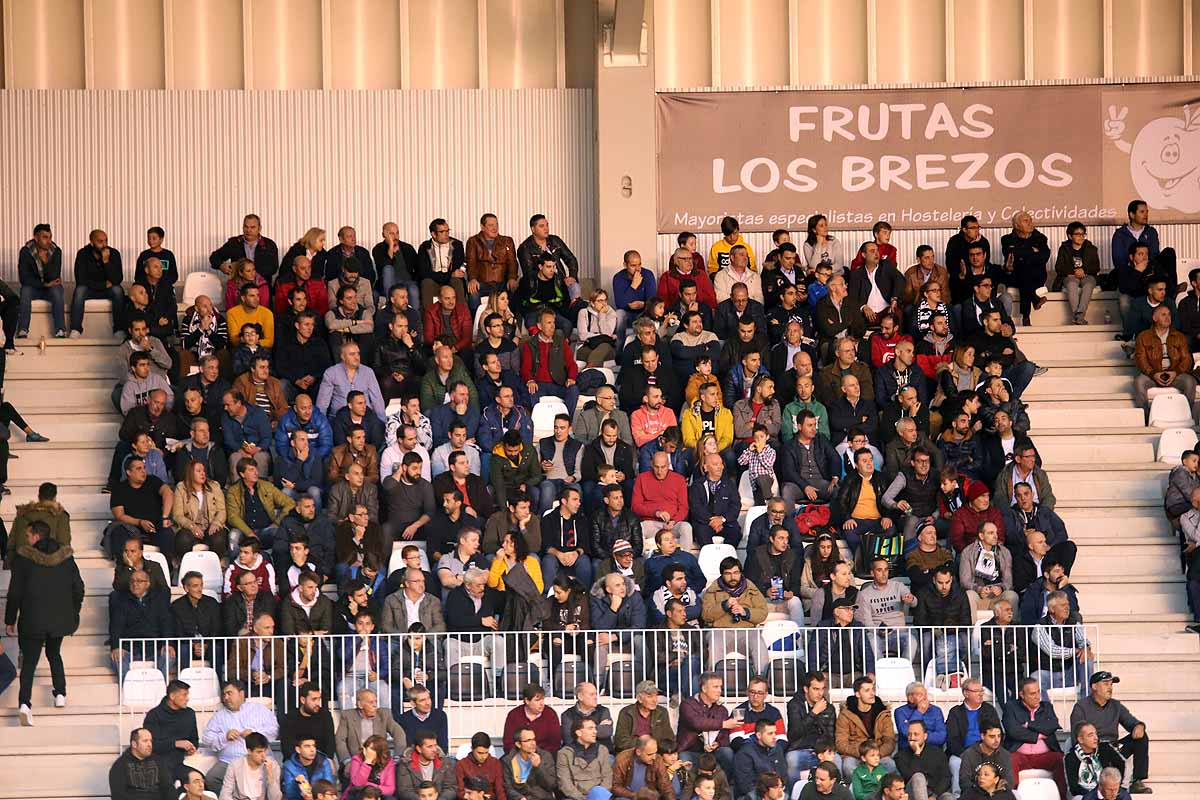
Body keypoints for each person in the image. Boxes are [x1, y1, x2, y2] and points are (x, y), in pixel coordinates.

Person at [4, 518, 81, 725]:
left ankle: (24, 704)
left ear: (37, 535)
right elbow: (78, 588)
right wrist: (74, 614)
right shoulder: (66, 558)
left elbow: (15, 593)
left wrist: (10, 620)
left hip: (32, 620)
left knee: (29, 662)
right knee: (54, 653)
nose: (27, 539)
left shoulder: (24, 559)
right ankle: (60, 694)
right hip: (60, 619)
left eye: (28, 535)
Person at [1070, 671, 1152, 794]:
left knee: (1141, 736)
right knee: (1103, 749)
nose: (1110, 687)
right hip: (1094, 750)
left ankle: (1137, 781)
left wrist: (1139, 726)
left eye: (1111, 684)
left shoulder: (1116, 705)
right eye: (1106, 684)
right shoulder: (1081, 707)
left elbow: (1131, 722)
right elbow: (1078, 736)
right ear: (1094, 686)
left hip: (1113, 748)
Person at [201, 679, 280, 791]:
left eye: (229, 693)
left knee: (273, 776)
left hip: (259, 760)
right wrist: (224, 737)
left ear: (241, 694)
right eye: (224, 694)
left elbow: (274, 731)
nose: (226, 698)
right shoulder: (219, 716)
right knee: (211, 778)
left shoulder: (259, 710)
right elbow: (206, 739)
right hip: (229, 761)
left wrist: (254, 733)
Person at [1001, 677, 1068, 795]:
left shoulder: (1046, 706)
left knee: (1058, 759)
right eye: (1032, 693)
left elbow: (1053, 725)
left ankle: (1062, 797)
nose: (1037, 696)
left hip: (1045, 755)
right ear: (1022, 694)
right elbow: (1013, 731)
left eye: (1038, 692)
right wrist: (1039, 736)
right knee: (1010, 759)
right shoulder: (1011, 707)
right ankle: (1013, 796)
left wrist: (1028, 725)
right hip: (1019, 755)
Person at [226, 459, 294, 557]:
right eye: (251, 470)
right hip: (246, 531)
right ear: (242, 474)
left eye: (256, 469)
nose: (256, 472)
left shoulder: (266, 486)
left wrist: (277, 522)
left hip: (266, 529)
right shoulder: (233, 491)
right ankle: (235, 568)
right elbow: (232, 517)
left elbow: (290, 503)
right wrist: (249, 532)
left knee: (281, 532)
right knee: (233, 535)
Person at [677, 673, 739, 774]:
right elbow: (697, 723)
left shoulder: (722, 709)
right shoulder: (687, 704)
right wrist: (723, 724)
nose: (719, 690)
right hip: (691, 749)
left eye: (720, 687)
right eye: (715, 687)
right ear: (704, 688)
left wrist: (718, 743)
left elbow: (724, 735)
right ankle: (690, 789)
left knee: (727, 752)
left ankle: (724, 787)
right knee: (684, 759)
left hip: (713, 752)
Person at [745, 524, 805, 627]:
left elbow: (796, 582)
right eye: (781, 538)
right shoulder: (757, 555)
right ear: (771, 539)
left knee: (795, 602)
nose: (785, 542)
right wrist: (765, 591)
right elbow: (749, 582)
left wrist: (791, 592)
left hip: (785, 599)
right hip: (763, 600)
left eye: (787, 538)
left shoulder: (792, 556)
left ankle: (799, 639)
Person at [633, 451, 693, 552]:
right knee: (639, 528)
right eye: (656, 467)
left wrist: (674, 521)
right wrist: (656, 512)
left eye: (663, 467)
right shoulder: (641, 478)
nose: (659, 471)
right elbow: (635, 507)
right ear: (651, 464)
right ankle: (644, 563)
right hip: (651, 523)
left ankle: (684, 561)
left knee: (686, 527)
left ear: (669, 465)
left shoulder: (679, 479)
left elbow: (683, 507)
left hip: (673, 523)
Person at [836, 676, 897, 775]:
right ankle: (857, 789)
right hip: (856, 754)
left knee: (890, 765)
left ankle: (880, 790)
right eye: (867, 690)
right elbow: (841, 744)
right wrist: (863, 753)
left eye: (873, 689)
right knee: (848, 766)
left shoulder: (883, 712)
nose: (872, 693)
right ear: (857, 694)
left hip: (878, 753)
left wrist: (876, 754)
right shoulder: (845, 714)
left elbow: (890, 740)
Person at [72, 229, 125, 339]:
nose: (104, 244)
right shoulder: (82, 254)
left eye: (106, 241)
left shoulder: (114, 254)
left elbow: (117, 279)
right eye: (100, 241)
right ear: (92, 242)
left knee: (118, 290)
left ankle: (119, 329)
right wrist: (102, 285)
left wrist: (106, 262)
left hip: (108, 290)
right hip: (90, 289)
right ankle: (75, 329)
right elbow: (80, 279)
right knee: (79, 290)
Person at [17, 223, 66, 339]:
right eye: (45, 237)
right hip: (34, 287)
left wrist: (46, 260)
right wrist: (44, 284)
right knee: (25, 290)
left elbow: (55, 276)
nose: (48, 241)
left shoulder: (56, 251)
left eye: (50, 237)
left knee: (57, 290)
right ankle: (23, 329)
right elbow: (24, 278)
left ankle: (60, 330)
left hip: (50, 288)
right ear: (36, 238)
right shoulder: (26, 251)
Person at [142, 679, 198, 775]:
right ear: (172, 696)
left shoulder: (190, 714)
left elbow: (194, 740)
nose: (187, 698)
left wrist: (192, 748)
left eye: (187, 695)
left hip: (178, 764)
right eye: (184, 695)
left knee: (198, 780)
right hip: (158, 765)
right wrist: (175, 743)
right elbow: (150, 745)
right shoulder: (154, 715)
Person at [109, 728, 176, 800]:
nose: (149, 744)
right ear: (134, 744)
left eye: (150, 741)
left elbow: (168, 788)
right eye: (145, 741)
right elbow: (118, 795)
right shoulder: (120, 766)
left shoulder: (158, 761)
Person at [556, 717, 613, 800]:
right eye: (590, 728)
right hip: (575, 797)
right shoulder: (565, 753)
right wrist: (582, 798)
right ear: (578, 732)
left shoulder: (602, 750)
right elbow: (565, 783)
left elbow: (607, 777)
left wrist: (599, 796)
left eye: (595, 728)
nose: (595, 731)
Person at [216, 731, 283, 800]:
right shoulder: (235, 765)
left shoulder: (273, 765)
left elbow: (276, 798)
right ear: (249, 751)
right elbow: (225, 794)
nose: (263, 755)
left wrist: (270, 776)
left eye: (265, 751)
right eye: (259, 752)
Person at [732, 718, 787, 800]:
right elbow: (745, 786)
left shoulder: (777, 749)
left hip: (776, 795)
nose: (774, 737)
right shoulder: (745, 753)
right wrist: (769, 795)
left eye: (775, 733)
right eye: (770, 733)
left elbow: (783, 776)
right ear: (759, 735)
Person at [503, 724, 559, 800]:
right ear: (518, 744)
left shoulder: (545, 756)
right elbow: (508, 787)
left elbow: (551, 785)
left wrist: (539, 766)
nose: (533, 743)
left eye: (533, 739)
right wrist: (519, 797)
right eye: (528, 740)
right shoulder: (508, 760)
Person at [343, 733, 398, 800]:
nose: (369, 751)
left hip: (378, 794)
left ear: (380, 752)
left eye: (372, 749)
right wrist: (367, 762)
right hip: (359, 794)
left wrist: (370, 787)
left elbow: (390, 789)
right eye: (367, 747)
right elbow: (357, 784)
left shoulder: (389, 763)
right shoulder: (357, 759)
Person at [280, 736, 337, 800]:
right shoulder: (289, 766)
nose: (312, 750)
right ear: (298, 750)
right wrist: (296, 783)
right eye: (307, 746)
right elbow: (290, 795)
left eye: (314, 746)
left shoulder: (323, 761)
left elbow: (329, 787)